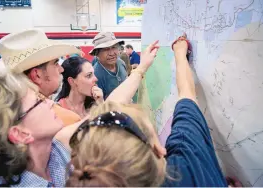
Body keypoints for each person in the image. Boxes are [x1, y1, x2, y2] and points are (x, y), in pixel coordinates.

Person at [0, 40, 160, 187]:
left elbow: (110, 108)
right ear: (21, 134)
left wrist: (141, 68)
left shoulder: (56, 148)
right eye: (39, 101)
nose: (49, 103)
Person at [65, 35, 228, 187]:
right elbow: (187, 95)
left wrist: (141, 68)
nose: (112, 52)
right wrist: (179, 52)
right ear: (158, 150)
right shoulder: (184, 168)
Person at [0, 29, 82, 126]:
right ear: (37, 75)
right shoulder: (66, 120)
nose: (61, 69)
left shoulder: (4, 116)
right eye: (56, 63)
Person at [90, 32, 128, 99]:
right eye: (105, 49)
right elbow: (98, 105)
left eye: (114, 47)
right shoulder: (95, 75)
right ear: (97, 54)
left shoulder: (121, 63)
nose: (111, 53)